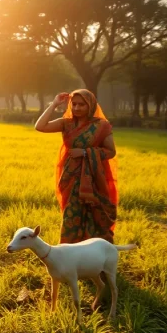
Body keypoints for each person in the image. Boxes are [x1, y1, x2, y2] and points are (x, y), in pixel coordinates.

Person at [35, 89, 118, 244]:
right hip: (70, 176)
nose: (77, 108)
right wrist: (54, 104)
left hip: (93, 178)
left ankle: (95, 252)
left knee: (94, 214)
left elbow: (111, 152)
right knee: (71, 216)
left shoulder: (101, 126)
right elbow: (40, 126)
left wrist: (85, 152)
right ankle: (69, 251)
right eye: (74, 104)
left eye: (82, 104)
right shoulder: (67, 123)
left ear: (90, 105)